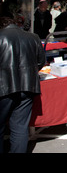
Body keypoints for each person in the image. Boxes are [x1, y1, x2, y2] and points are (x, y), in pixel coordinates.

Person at [0, 16, 46, 153]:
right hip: (27, 86)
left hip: (4, 88)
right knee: (20, 127)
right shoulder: (33, 37)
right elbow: (41, 61)